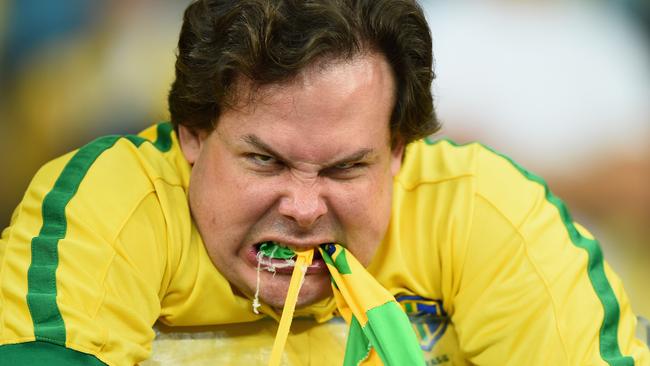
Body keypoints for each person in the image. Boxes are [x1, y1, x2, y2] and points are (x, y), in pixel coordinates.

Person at [0, 0, 648, 365]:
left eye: (345, 168)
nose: (306, 210)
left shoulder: (481, 213)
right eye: (265, 161)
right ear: (191, 134)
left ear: (399, 151)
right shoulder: (106, 208)